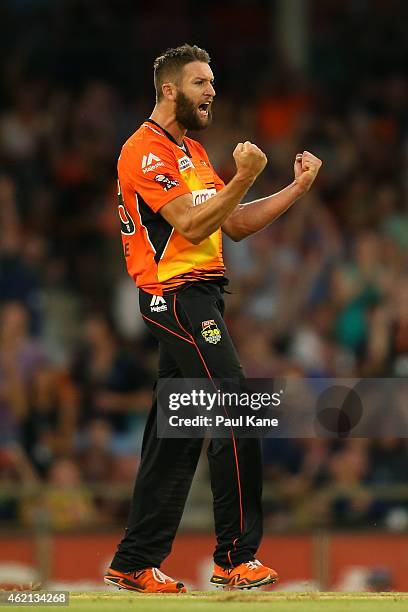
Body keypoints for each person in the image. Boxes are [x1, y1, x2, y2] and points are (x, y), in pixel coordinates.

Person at [104, 44, 322, 594]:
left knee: (176, 434)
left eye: (213, 82)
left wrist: (294, 188)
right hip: (175, 297)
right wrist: (243, 176)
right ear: (170, 89)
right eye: (201, 82)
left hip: (201, 295)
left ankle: (134, 561)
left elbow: (236, 223)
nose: (212, 92)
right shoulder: (145, 152)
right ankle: (234, 557)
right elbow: (192, 225)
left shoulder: (193, 152)